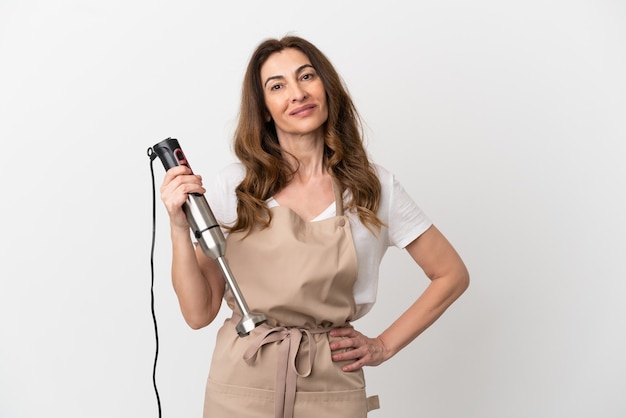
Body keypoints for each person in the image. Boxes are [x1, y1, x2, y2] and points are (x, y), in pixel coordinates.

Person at [159, 35, 469, 418]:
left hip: (332, 386)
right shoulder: (234, 187)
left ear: (326, 87)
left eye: (306, 76)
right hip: (242, 384)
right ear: (265, 110)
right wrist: (177, 226)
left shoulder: (373, 187)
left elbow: (451, 274)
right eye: (277, 86)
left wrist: (384, 346)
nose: (297, 93)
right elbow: (198, 313)